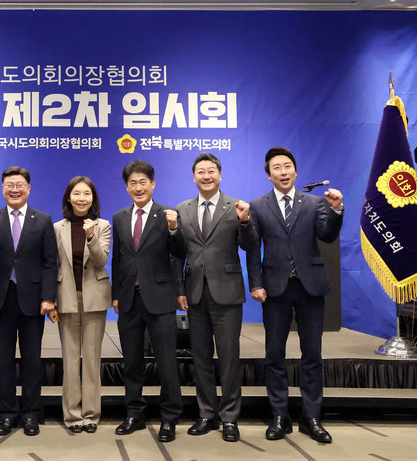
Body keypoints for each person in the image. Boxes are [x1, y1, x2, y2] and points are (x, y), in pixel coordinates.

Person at [246, 146, 343, 444]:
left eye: (287, 166)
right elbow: (252, 248)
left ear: (296, 171)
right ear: (268, 175)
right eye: (276, 168)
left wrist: (336, 210)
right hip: (275, 288)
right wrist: (255, 283)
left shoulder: (314, 203)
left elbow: (327, 235)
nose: (283, 172)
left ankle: (311, 417)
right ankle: (280, 415)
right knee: (274, 354)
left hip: (310, 286)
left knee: (312, 354)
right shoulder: (258, 206)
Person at [174, 153, 254, 443]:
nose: (206, 176)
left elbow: (249, 245)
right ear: (193, 177)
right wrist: (179, 289)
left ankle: (230, 417)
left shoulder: (237, 207)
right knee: (201, 358)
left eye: (211, 171)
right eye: (200, 172)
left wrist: (244, 222)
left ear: (220, 175)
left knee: (229, 358)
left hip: (227, 292)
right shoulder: (182, 209)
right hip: (195, 292)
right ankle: (206, 414)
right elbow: (178, 254)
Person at [0, 166, 58, 437]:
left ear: (28, 188)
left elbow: (50, 262)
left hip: (33, 300)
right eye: (9, 185)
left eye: (19, 185)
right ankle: (7, 414)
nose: (15, 190)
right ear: (2, 189)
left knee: (32, 360)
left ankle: (31, 414)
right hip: (0, 298)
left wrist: (48, 297)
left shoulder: (43, 219)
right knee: (3, 360)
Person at [111, 159, 186, 443]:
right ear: (127, 187)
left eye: (143, 182)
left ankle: (169, 417)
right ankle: (134, 413)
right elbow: (118, 259)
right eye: (133, 183)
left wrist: (174, 228)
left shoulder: (167, 215)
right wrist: (116, 294)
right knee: (131, 361)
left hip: (160, 299)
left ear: (153, 184)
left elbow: (180, 252)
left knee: (167, 362)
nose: (138, 187)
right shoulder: (119, 217)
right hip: (129, 301)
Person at [53, 176, 111, 434]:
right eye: (76, 193)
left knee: (91, 359)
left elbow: (100, 260)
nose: (81, 198)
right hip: (66, 297)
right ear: (68, 197)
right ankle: (72, 415)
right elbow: (52, 265)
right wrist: (52, 301)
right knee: (70, 359)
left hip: (95, 299)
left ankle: (90, 414)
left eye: (86, 194)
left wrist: (91, 237)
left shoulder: (103, 226)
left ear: (93, 198)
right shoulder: (57, 228)